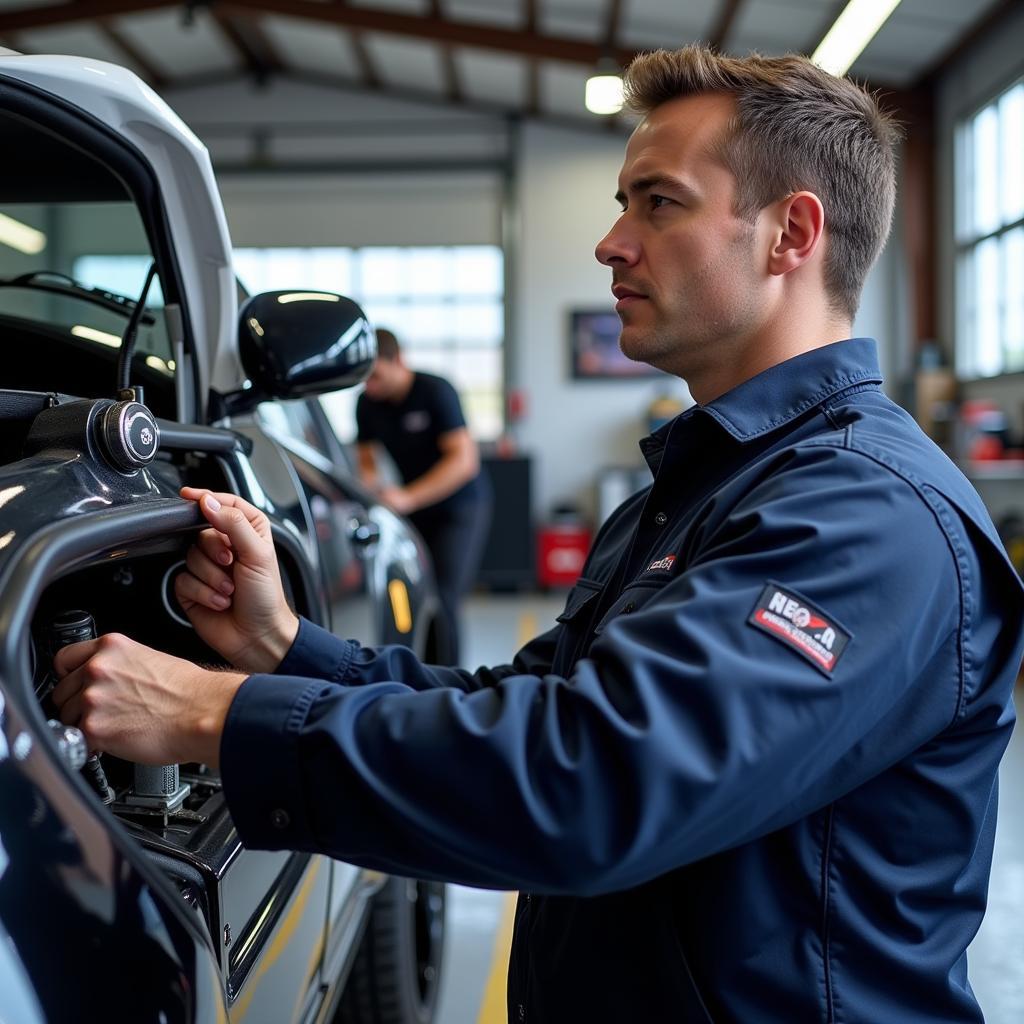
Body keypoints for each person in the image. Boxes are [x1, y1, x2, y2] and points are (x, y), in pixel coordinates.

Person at [52, 46, 1023, 1023]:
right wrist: (280, 649)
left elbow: (586, 781)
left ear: (789, 233)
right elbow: (526, 706)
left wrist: (215, 716)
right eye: (621, 202)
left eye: (658, 202)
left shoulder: (866, 516)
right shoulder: (699, 487)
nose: (610, 242)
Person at [355, 328, 492, 665]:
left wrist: (408, 498)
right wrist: (373, 485)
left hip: (459, 507)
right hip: (411, 507)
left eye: (375, 376)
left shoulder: (435, 391)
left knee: (445, 598)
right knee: (413, 593)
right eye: (364, 380)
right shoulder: (367, 403)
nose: (370, 386)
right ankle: (418, 671)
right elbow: (367, 457)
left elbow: (464, 460)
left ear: (398, 360)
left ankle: (452, 683)